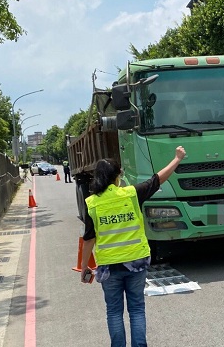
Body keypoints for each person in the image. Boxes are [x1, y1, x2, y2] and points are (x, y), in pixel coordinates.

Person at [80, 146, 186, 347]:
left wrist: (85, 266)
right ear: (118, 176)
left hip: (109, 267)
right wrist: (177, 159)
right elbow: (157, 180)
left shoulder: (92, 203)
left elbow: (88, 238)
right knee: (137, 309)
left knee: (114, 312)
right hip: (136, 262)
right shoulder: (131, 194)